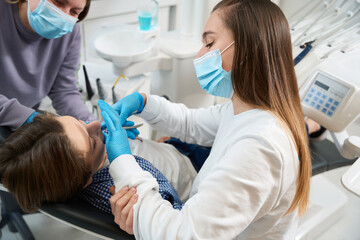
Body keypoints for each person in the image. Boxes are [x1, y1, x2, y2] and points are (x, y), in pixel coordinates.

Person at [100, 0, 312, 239]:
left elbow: (183, 235)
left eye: (209, 43)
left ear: (248, 48)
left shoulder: (260, 146)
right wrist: (143, 102)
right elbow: (190, 123)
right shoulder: (244, 110)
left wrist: (122, 161)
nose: (200, 54)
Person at [0, 113, 196, 213]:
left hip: (175, 151)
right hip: (194, 184)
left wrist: (157, 148)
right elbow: (173, 219)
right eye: (91, 141)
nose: (95, 124)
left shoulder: (89, 156)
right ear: (85, 180)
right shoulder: (116, 195)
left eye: (80, 122)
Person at [0, 0, 96, 131]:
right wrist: (31, 118)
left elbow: (64, 91)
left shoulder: (70, 33)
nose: (63, 16)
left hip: (23, 123)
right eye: (58, 2)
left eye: (74, 12)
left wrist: (91, 124)